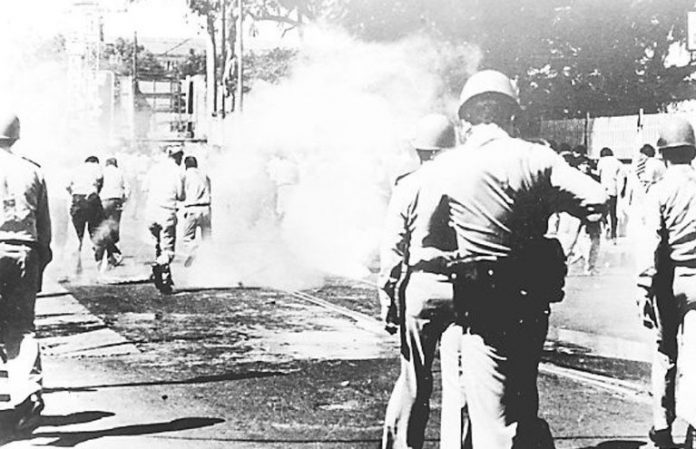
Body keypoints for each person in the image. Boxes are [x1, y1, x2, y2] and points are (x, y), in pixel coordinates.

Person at [411, 70, 606, 448]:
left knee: (490, 415)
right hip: (530, 299)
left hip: (482, 300)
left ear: (467, 118)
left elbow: (425, 242)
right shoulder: (536, 157)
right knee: (521, 394)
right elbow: (597, 200)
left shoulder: (448, 167)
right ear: (512, 115)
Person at [379, 114, 467, 449]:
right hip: (464, 286)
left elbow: (392, 249)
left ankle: (403, 445)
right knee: (461, 379)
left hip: (423, 286)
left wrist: (388, 299)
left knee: (414, 377)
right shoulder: (469, 180)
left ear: (419, 149)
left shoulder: (409, 184)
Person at [636, 117, 696, 449]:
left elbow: (650, 243)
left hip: (669, 281)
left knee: (665, 353)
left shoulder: (659, 190)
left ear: (662, 153)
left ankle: (662, 426)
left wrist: (643, 287)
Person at [0, 113, 52, 437]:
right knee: (21, 326)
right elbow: (44, 224)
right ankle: (29, 393)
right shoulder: (33, 170)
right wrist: (42, 257)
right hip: (24, 250)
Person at [144, 145, 185, 293]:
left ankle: (164, 280)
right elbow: (181, 196)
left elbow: (144, 188)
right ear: (177, 156)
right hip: (166, 212)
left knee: (158, 245)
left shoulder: (154, 168)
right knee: (168, 251)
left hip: (150, 212)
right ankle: (159, 267)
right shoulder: (177, 171)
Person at [66, 155, 104, 272]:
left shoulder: (76, 169)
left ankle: (76, 267)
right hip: (92, 200)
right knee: (96, 233)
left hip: (77, 200)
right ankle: (99, 266)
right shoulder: (97, 168)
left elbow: (67, 186)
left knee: (78, 235)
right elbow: (100, 183)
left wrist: (75, 195)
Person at [182, 156, 211, 267]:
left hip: (192, 208)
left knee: (188, 237)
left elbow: (182, 193)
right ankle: (210, 258)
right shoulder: (204, 174)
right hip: (206, 208)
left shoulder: (185, 175)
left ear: (186, 165)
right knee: (207, 236)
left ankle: (194, 252)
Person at [100, 157, 129, 270]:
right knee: (115, 226)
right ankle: (113, 254)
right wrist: (124, 199)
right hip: (116, 200)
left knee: (104, 227)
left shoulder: (102, 172)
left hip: (104, 201)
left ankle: (109, 254)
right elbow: (128, 188)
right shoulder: (120, 172)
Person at [597, 147, 626, 242]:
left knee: (602, 210)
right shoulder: (617, 162)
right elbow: (624, 176)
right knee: (613, 212)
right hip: (613, 188)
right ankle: (614, 234)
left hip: (603, 188)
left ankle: (605, 227)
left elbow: (598, 174)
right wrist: (622, 190)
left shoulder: (601, 161)